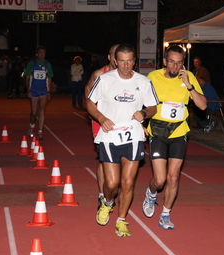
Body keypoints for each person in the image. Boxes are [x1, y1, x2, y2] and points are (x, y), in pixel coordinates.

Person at [87, 44, 158, 237]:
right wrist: (101, 119)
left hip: (133, 136)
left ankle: (122, 220)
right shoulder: (104, 79)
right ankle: (107, 202)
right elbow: (90, 103)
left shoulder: (143, 82)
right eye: (122, 61)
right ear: (114, 61)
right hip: (110, 135)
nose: (126, 65)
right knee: (111, 183)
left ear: (134, 61)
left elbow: (153, 106)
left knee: (127, 183)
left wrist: (144, 113)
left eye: (129, 61)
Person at [143, 45, 207, 230]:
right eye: (171, 61)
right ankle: (151, 193)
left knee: (173, 178)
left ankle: (165, 214)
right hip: (157, 131)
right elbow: (141, 102)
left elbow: (202, 106)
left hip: (179, 132)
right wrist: (141, 124)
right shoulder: (153, 77)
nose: (175, 66)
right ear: (165, 61)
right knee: (160, 180)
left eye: (179, 63)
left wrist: (189, 85)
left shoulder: (188, 77)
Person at [84, 44, 119, 211]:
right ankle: (102, 195)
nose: (117, 58)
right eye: (114, 55)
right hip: (101, 121)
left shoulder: (128, 76)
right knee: (104, 158)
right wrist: (97, 114)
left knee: (118, 159)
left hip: (121, 122)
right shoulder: (99, 74)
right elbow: (88, 93)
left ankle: (111, 190)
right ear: (109, 57)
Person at [24, 46, 54, 140]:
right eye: (40, 53)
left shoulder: (47, 64)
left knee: (42, 110)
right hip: (34, 90)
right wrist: (28, 90)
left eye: (44, 53)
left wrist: (49, 91)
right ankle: (32, 126)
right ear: (36, 54)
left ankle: (40, 131)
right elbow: (27, 77)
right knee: (34, 112)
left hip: (43, 90)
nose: (42, 55)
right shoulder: (32, 63)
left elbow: (49, 78)